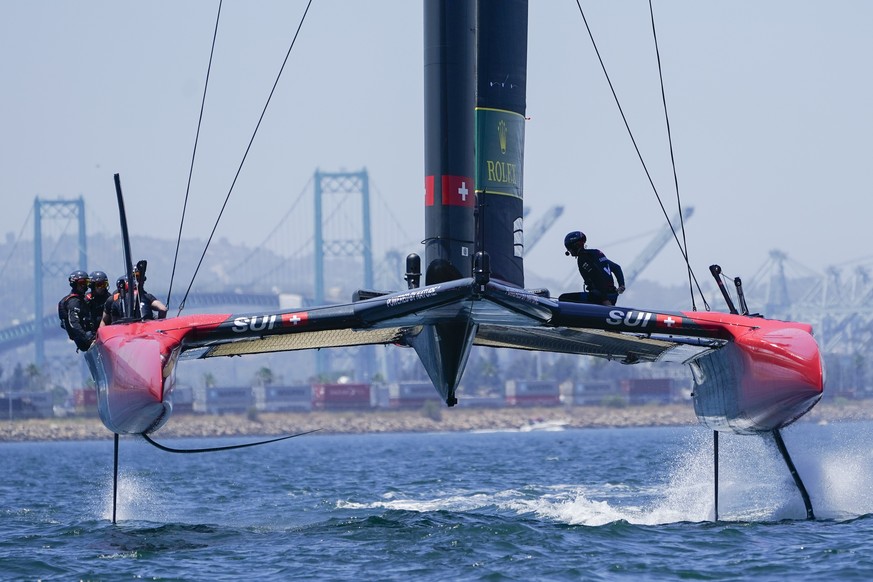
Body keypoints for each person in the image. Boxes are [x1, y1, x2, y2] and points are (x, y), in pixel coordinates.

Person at [560, 230, 626, 306]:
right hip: (613, 295)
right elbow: (616, 268)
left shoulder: (582, 258)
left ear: (575, 245)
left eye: (569, 248)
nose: (569, 251)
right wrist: (621, 285)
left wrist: (605, 300)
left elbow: (596, 276)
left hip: (599, 297)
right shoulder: (596, 253)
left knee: (563, 298)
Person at [58, 270, 94, 351]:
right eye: (82, 283)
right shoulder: (73, 302)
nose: (84, 285)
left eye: (86, 282)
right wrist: (88, 339)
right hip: (85, 339)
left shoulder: (81, 299)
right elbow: (74, 323)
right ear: (74, 284)